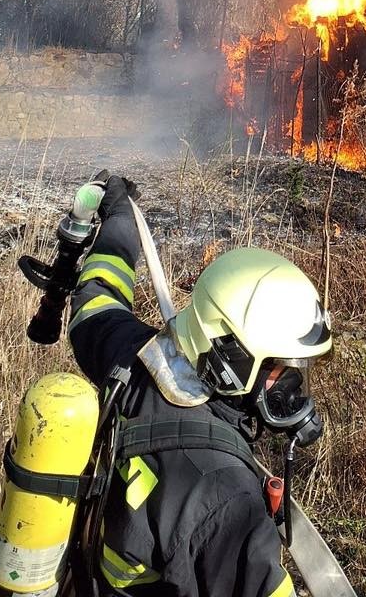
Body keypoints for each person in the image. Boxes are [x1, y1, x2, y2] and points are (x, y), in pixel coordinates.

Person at [68, 175, 332, 597]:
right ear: (232, 358)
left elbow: (96, 302)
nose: (292, 386)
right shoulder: (229, 499)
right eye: (279, 367)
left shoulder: (132, 359)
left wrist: (119, 219)